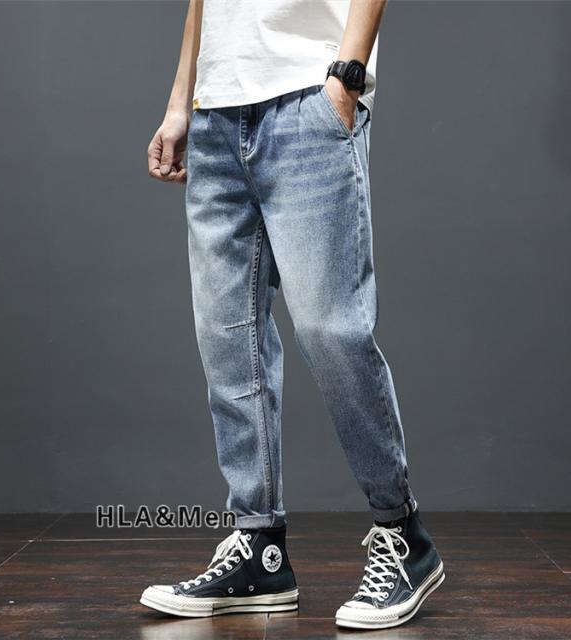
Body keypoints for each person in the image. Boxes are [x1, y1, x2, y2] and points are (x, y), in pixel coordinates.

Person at [140, 0, 444, 629]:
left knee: (332, 330)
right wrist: (181, 102)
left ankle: (403, 534)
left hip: (309, 96)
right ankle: (260, 549)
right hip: (216, 113)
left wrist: (347, 78)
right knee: (227, 340)